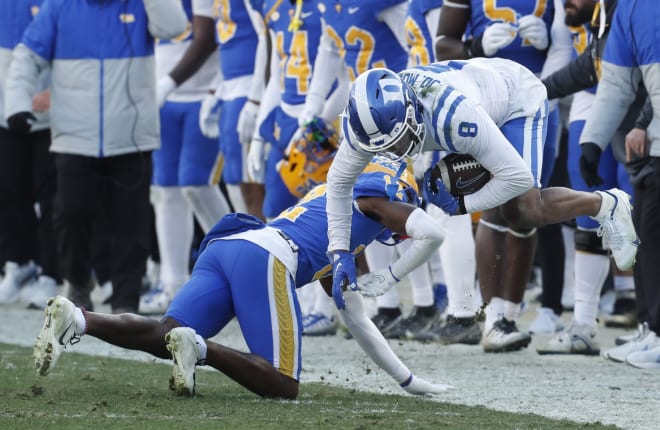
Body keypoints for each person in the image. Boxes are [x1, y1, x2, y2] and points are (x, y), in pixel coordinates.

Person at [33, 155, 451, 399]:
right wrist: (395, 274)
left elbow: (356, 317)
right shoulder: (374, 201)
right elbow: (429, 231)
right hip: (266, 257)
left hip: (232, 245)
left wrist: (409, 380)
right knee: (283, 384)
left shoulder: (337, 208)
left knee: (165, 333)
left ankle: (80, 319)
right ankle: (199, 348)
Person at [324, 58, 640, 355]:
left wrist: (462, 205)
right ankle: (495, 319)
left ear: (411, 112)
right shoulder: (362, 127)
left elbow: (516, 179)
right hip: (476, 92)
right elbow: (338, 186)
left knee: (523, 209)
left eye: (397, 142)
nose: (393, 151)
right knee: (411, 191)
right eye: (384, 146)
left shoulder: (455, 116)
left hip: (515, 98)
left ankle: (605, 203)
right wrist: (339, 253)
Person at [4, 0, 188, 313]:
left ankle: (125, 303)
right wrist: (17, 103)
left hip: (131, 136)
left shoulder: (142, 5)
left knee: (131, 223)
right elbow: (27, 56)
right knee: (70, 214)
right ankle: (77, 281)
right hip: (74, 137)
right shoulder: (60, 6)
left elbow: (175, 27)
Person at [534, 0, 643, 355]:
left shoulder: (631, 9)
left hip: (640, 103)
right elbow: (585, 60)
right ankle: (583, 323)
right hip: (592, 99)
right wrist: (537, 92)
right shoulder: (587, 12)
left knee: (643, 213)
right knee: (589, 210)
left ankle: (649, 321)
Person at [577, 0, 660, 367]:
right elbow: (618, 81)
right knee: (645, 229)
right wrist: (592, 142)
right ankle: (653, 328)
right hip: (655, 142)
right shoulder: (627, 7)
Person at [139, 0, 232, 315]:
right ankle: (173, 282)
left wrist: (168, 82)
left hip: (204, 92)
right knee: (165, 193)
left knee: (197, 184)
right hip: (165, 96)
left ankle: (235, 270)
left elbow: (206, 37)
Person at [0, 0, 59, 309]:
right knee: (8, 187)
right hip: (5, 107)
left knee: (50, 197)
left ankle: (50, 272)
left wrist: (58, 88)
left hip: (48, 109)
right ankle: (17, 263)